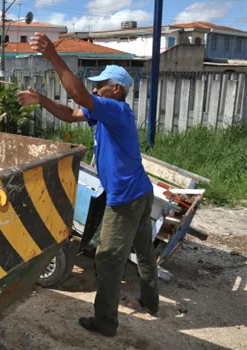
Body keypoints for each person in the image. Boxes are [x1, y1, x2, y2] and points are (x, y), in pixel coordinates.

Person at [17, 33, 159, 337]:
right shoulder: (106, 113)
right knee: (144, 250)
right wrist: (41, 100)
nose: (95, 88)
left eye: (101, 85)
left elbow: (80, 97)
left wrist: (54, 56)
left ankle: (105, 322)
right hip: (141, 192)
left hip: (125, 199)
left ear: (116, 89)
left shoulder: (116, 110)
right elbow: (70, 114)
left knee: (107, 258)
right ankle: (151, 302)